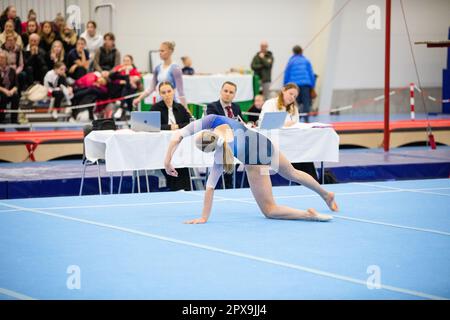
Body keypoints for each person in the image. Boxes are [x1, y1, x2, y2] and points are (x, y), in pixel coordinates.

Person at [164, 114, 338, 224]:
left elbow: (210, 188)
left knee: (270, 210)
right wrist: (168, 159)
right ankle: (326, 194)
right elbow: (179, 136)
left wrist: (203, 217)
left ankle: (307, 215)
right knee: (293, 173)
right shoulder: (214, 119)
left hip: (256, 161)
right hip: (264, 143)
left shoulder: (220, 154)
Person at [259, 83, 319, 182]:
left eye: (295, 96)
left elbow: (296, 126)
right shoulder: (270, 103)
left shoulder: (294, 109)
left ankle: (314, 182)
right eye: (290, 93)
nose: (292, 97)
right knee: (296, 159)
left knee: (305, 157)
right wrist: (284, 124)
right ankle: (304, 181)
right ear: (283, 90)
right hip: (273, 143)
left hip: (290, 143)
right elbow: (264, 124)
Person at [151, 81, 192, 191]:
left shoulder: (180, 107)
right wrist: (170, 127)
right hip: (163, 146)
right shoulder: (155, 108)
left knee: (183, 166)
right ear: (160, 94)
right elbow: (153, 126)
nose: (167, 94)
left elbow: (190, 123)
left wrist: (177, 126)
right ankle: (174, 187)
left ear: (173, 91)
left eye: (169, 91)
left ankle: (186, 188)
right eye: (163, 92)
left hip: (180, 145)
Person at [206, 81, 243, 189]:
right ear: (221, 91)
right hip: (220, 142)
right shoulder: (212, 106)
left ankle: (232, 183)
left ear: (234, 95)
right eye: (225, 91)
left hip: (235, 141)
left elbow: (241, 121)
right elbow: (214, 124)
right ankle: (225, 185)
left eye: (231, 92)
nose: (227, 94)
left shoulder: (236, 107)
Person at [133, 41, 188, 111]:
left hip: (171, 103)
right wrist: (139, 98)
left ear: (170, 51)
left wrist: (185, 109)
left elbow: (181, 92)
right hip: (160, 102)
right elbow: (151, 88)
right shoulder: (158, 68)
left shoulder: (175, 68)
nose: (160, 53)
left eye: (162, 51)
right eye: (159, 51)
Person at [283, 45, 316, 123]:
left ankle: (296, 119)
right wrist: (313, 86)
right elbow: (311, 74)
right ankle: (306, 120)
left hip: (295, 86)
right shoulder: (306, 61)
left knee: (295, 102)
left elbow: (286, 74)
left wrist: (285, 86)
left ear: (293, 52)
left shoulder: (291, 61)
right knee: (306, 102)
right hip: (305, 85)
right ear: (301, 51)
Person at [111, 54, 142, 119]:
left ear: (131, 62)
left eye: (128, 61)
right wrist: (120, 81)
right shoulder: (119, 68)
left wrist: (127, 72)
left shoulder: (134, 70)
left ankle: (121, 108)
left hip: (128, 92)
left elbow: (137, 80)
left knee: (128, 88)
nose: (126, 62)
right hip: (117, 91)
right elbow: (111, 78)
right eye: (124, 61)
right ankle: (124, 108)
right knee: (127, 87)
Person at [0, 51, 20, 124]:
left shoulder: (12, 70)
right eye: (0, 58)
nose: (1, 59)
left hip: (10, 91)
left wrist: (12, 91)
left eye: (2, 58)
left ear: (6, 59)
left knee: (16, 96)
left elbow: (16, 85)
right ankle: (1, 118)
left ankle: (14, 119)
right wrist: (5, 90)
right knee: (3, 96)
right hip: (1, 91)